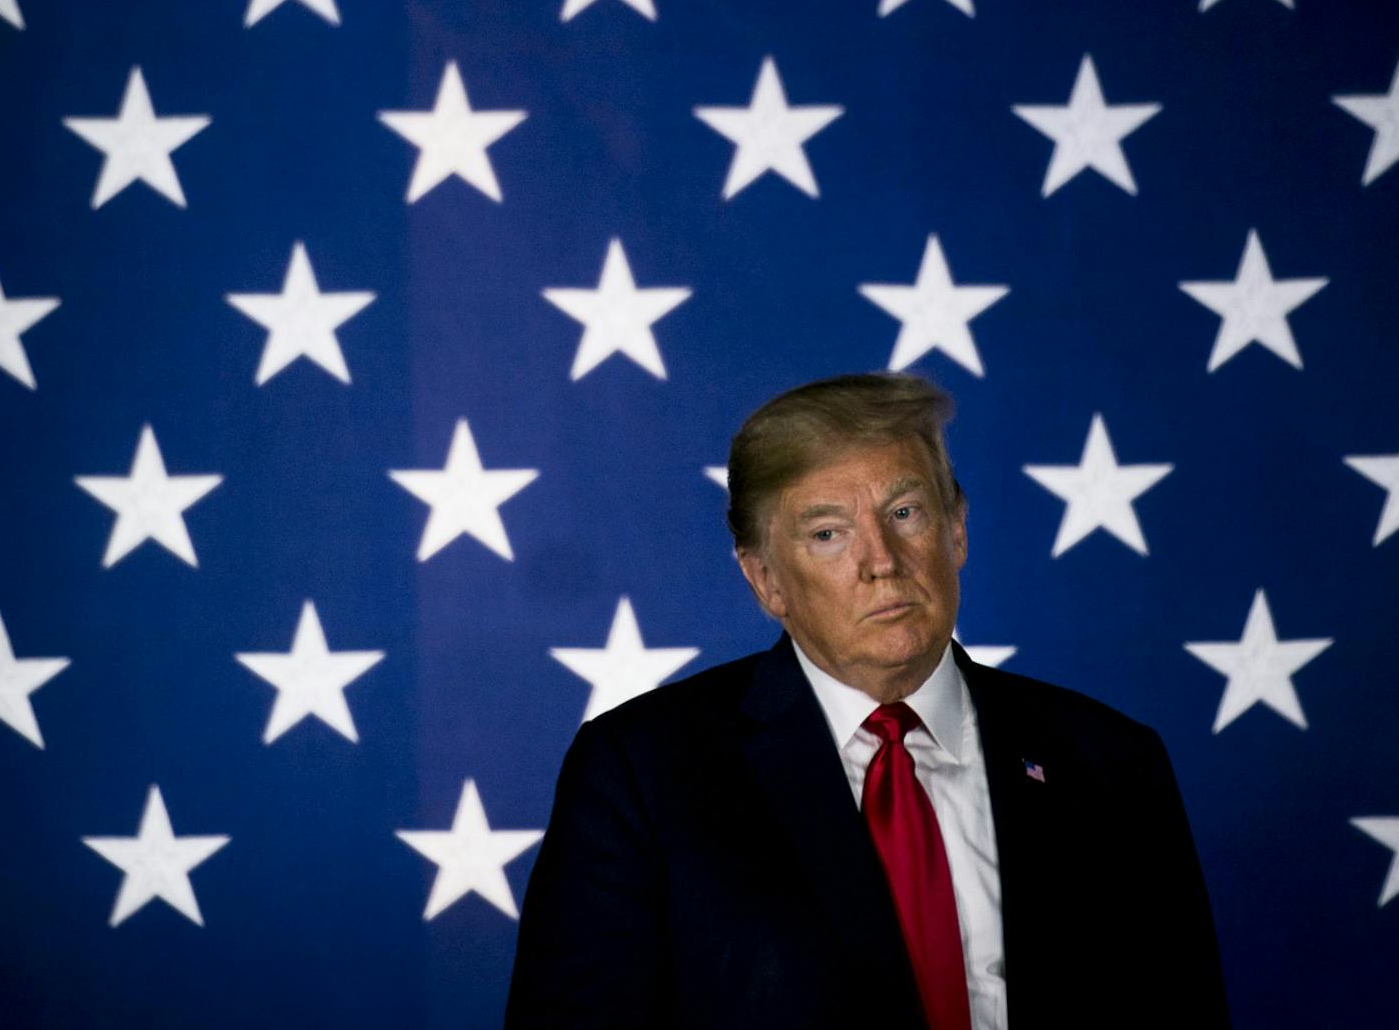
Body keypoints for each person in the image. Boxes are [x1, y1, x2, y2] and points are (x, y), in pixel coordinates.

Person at [505, 372, 1228, 1028]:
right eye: (828, 533)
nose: (881, 560)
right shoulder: (641, 775)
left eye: (906, 511)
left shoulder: (1111, 763)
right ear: (765, 580)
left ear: (958, 529)